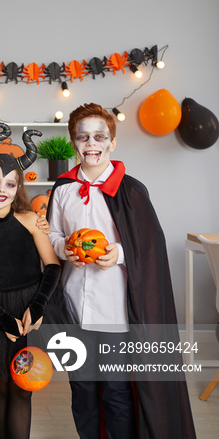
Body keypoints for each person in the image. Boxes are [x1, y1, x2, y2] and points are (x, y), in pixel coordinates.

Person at [46, 103, 196, 438]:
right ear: (73, 143)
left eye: (100, 136)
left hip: (116, 311)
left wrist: (119, 254)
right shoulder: (63, 189)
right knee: (82, 391)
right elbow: (53, 235)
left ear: (112, 142)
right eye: (83, 137)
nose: (92, 143)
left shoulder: (131, 190)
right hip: (72, 308)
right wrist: (64, 248)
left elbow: (150, 247)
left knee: (115, 390)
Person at [0, 124, 64, 439]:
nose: (0, 189)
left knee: (24, 385)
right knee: (2, 385)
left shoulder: (32, 221)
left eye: (9, 184)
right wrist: (4, 319)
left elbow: (52, 265)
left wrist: (38, 305)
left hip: (31, 310)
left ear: (17, 187)